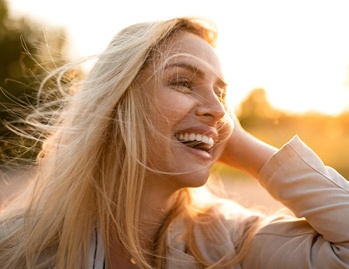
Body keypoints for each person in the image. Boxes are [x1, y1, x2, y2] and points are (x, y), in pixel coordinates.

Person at [0, 17, 349, 269]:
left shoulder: (232, 245)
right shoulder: (18, 248)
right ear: (116, 102)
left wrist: (240, 143)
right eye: (183, 82)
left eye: (221, 94)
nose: (218, 110)